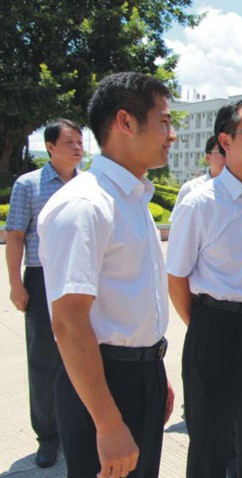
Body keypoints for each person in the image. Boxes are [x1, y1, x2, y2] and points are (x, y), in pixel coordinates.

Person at [37, 72, 176, 477]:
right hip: (104, 382)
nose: (171, 135)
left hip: (141, 374)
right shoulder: (85, 204)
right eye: (164, 122)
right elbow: (69, 322)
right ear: (125, 122)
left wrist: (153, 369)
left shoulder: (131, 198)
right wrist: (108, 423)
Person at [167, 98, 242, 478]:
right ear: (225, 140)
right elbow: (177, 276)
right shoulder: (201, 203)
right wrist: (204, 326)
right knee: (210, 441)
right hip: (216, 328)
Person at [5, 118, 82, 468]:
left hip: (80, 280)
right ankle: (48, 436)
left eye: (80, 142)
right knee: (44, 361)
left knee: (83, 354)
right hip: (41, 278)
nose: (77, 148)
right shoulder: (29, 185)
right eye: (69, 142)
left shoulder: (88, 185)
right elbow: (16, 235)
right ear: (50, 147)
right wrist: (16, 284)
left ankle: (77, 427)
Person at [169, 135, 225, 220]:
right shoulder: (190, 189)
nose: (226, 157)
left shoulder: (241, 190)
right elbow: (177, 223)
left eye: (229, 152)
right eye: (221, 151)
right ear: (207, 157)